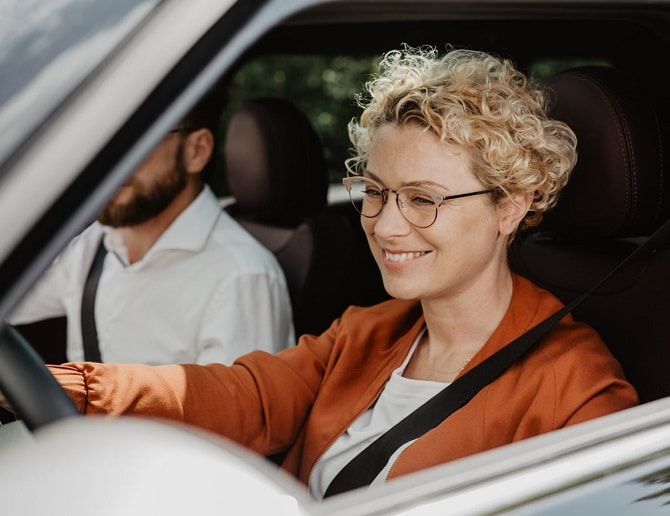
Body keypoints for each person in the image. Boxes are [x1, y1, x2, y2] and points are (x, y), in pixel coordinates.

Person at [43, 46, 638, 499]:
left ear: (508, 206)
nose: (385, 226)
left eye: (423, 199)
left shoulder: (576, 391)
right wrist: (62, 387)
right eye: (375, 193)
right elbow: (236, 397)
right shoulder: (368, 333)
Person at [8, 92, 295, 365]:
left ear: (197, 151)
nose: (111, 162)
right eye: (101, 140)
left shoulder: (242, 276)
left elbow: (236, 413)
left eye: (137, 139)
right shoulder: (96, 243)